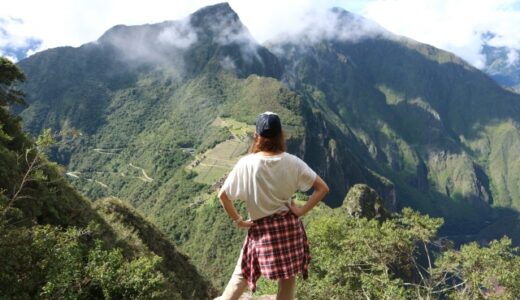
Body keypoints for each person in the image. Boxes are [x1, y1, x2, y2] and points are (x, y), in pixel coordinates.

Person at [216, 112, 329, 300]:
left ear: (256, 136)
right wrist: (301, 211)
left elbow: (223, 196)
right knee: (288, 278)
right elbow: (322, 188)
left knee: (242, 273)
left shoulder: (247, 163)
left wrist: (239, 221)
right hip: (289, 229)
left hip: (261, 230)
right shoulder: (294, 162)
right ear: (280, 135)